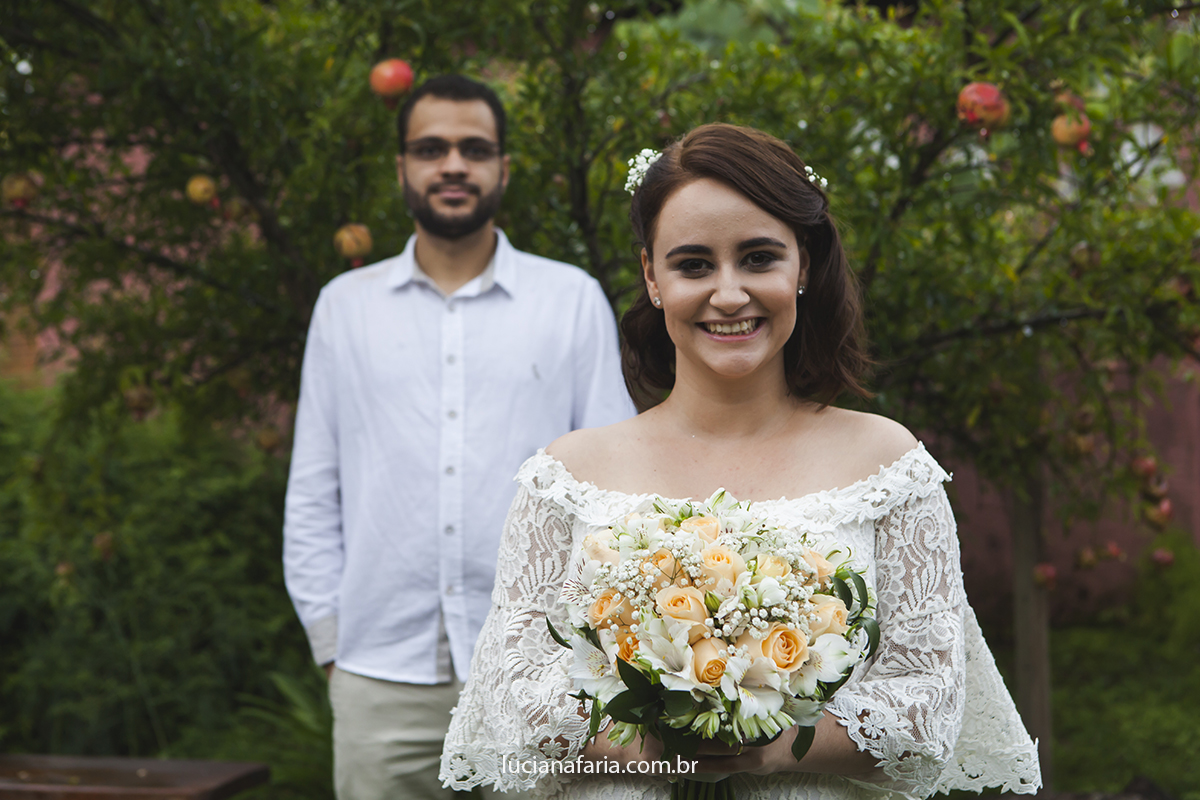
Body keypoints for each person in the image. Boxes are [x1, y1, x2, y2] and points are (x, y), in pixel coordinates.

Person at [439, 123, 1041, 800]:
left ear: (804, 266)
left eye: (758, 258)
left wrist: (774, 747)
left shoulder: (887, 465)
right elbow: (514, 695)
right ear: (652, 277)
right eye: (694, 265)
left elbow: (929, 707)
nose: (728, 293)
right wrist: (654, 739)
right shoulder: (568, 474)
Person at [283, 74, 635, 800]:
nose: (453, 165)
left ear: (503, 168)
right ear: (402, 167)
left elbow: (614, 493)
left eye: (474, 149)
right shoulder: (343, 309)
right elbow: (315, 487)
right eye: (431, 148)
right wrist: (332, 647)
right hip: (380, 677)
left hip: (541, 670)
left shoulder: (569, 300)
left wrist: (594, 652)